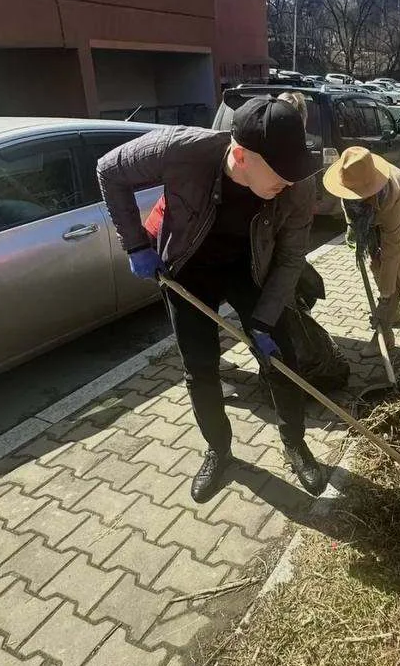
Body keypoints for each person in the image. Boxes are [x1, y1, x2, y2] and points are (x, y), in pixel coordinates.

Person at [97, 96, 326, 504]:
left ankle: (295, 443)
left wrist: (263, 321)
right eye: (280, 173)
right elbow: (109, 170)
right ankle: (218, 450)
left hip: (251, 267)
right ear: (241, 156)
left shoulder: (296, 182)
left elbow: (291, 257)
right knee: (200, 367)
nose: (290, 182)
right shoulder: (180, 150)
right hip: (190, 269)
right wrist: (135, 245)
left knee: (281, 360)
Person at [322, 146, 400, 349]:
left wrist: (384, 299)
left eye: (357, 194)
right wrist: (357, 239)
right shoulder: (350, 184)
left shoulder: (391, 197)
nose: (351, 197)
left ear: (370, 189)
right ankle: (393, 313)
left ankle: (385, 332)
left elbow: (392, 252)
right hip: (377, 219)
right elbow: (352, 221)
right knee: (375, 265)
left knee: (396, 271)